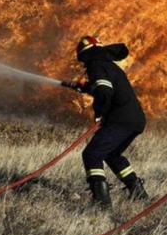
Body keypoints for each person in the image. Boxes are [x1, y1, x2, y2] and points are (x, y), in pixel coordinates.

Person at [62, 35, 148, 208]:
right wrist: (85, 87)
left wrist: (99, 113)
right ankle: (139, 194)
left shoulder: (96, 64)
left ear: (86, 54)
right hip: (135, 120)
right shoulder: (107, 64)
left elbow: (103, 90)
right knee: (112, 155)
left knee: (92, 154)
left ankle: (102, 204)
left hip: (120, 119)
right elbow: (104, 87)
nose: (84, 64)